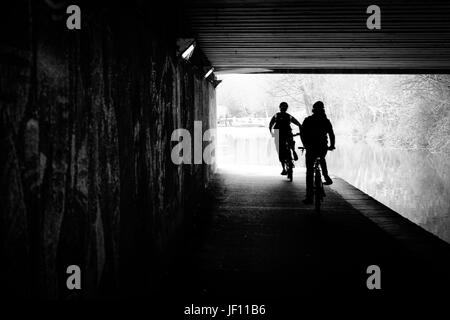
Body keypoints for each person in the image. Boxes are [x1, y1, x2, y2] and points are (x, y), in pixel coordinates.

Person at [300, 101, 335, 204]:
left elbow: (302, 134)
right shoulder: (326, 120)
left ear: (313, 110)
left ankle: (309, 197)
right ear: (323, 109)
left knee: (309, 172)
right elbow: (331, 135)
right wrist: (332, 145)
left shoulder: (308, 120)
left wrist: (305, 144)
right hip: (322, 147)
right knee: (321, 157)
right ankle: (326, 177)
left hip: (310, 147)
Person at [269, 102, 301, 175]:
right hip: (287, 132)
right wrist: (301, 129)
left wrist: (271, 132)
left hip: (278, 134)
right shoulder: (288, 116)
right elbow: (297, 123)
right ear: (287, 108)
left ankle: (284, 169)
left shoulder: (276, 115)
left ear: (280, 107)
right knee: (291, 142)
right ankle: (293, 151)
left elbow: (270, 125)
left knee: (280, 151)